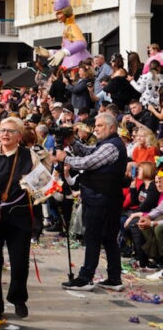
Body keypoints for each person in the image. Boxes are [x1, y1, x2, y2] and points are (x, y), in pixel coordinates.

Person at [0, 116, 41, 321]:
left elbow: (41, 184)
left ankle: (18, 298)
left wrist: (38, 187)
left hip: (19, 216)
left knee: (20, 262)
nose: (4, 134)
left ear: (19, 136)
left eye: (10, 131)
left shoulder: (29, 155)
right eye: (2, 130)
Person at [57, 113, 128, 291]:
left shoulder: (112, 146)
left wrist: (64, 158)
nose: (95, 128)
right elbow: (89, 152)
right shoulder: (105, 144)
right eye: (95, 125)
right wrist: (72, 142)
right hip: (103, 197)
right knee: (108, 238)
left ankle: (85, 278)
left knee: (94, 237)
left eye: (100, 126)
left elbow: (89, 162)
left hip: (102, 198)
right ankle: (114, 279)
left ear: (112, 128)